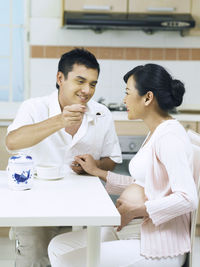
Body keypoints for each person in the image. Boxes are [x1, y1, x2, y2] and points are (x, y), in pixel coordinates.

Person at [48, 63, 198, 267]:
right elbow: (145, 184)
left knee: (68, 260)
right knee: (58, 246)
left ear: (148, 98)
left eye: (128, 93)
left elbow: (188, 199)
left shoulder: (170, 137)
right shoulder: (156, 132)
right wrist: (97, 171)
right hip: (136, 227)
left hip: (157, 243)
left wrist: (137, 210)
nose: (124, 100)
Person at [5, 48, 122, 267]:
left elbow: (111, 160)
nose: (87, 90)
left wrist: (94, 166)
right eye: (80, 81)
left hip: (84, 208)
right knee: (34, 259)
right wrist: (59, 121)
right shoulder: (34, 107)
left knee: (82, 261)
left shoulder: (101, 114)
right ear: (60, 78)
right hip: (35, 207)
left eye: (93, 84)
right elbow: (12, 142)